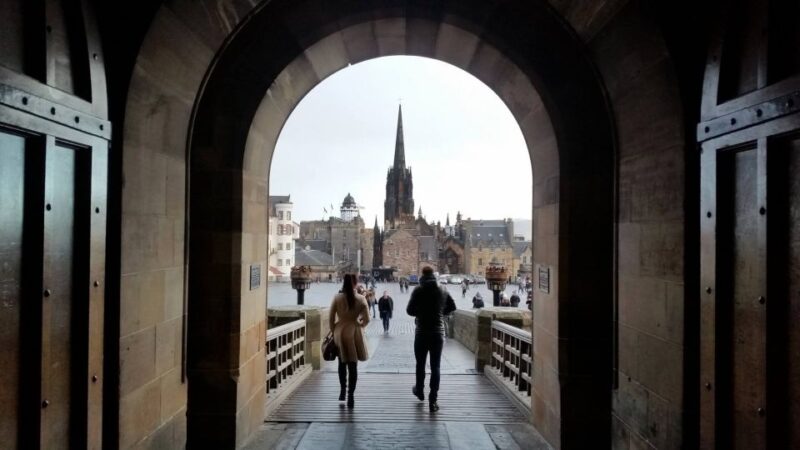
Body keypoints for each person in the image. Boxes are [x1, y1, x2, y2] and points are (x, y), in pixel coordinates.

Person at [407, 266, 456, 412]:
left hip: (421, 332)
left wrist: (420, 312)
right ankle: (433, 400)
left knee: (420, 364)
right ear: (433, 275)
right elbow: (452, 306)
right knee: (436, 367)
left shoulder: (418, 290)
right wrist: (440, 312)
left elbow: (409, 310)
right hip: (437, 333)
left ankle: (420, 391)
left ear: (422, 275)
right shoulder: (443, 290)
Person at [329, 274, 370, 409]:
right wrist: (360, 326)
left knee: (342, 363)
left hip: (340, 331)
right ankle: (351, 395)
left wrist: (335, 329)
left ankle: (342, 391)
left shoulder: (337, 298)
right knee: (353, 365)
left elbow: (330, 318)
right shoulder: (361, 298)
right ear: (355, 284)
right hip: (354, 331)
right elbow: (367, 319)